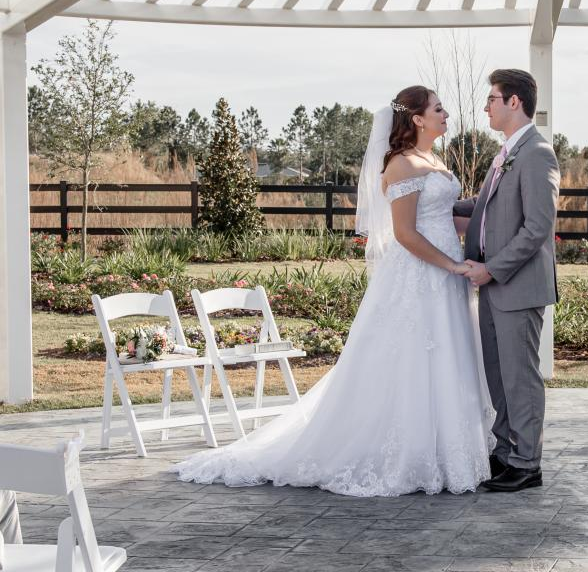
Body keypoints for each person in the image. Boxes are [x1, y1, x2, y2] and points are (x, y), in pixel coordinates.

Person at [173, 86, 495, 496]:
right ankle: (405, 456)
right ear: (416, 118)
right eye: (438, 108)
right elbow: (405, 233)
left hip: (448, 277)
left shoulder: (434, 160)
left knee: (446, 358)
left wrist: (489, 231)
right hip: (420, 275)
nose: (446, 114)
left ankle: (442, 451)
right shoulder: (401, 165)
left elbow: (443, 220)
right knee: (412, 359)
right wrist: (451, 264)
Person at [455, 69, 560, 492]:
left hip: (515, 285)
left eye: (492, 99)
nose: (486, 106)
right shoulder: (505, 154)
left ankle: (527, 463)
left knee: (521, 376)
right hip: (493, 285)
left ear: (513, 101)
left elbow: (537, 228)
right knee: (496, 375)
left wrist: (492, 268)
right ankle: (503, 452)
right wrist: (431, 201)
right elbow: (483, 207)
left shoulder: (537, 153)